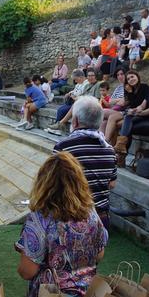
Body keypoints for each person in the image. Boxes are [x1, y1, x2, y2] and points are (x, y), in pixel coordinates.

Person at [16, 151, 108, 297]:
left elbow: (27, 271)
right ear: (79, 181)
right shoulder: (91, 213)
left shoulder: (39, 218)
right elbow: (99, 254)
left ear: (43, 183)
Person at [53, 96, 116, 228]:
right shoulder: (110, 150)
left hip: (72, 219)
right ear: (99, 122)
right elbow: (112, 184)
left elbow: (54, 185)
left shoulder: (63, 148)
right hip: (100, 219)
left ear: (75, 121)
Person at [101, 70, 149, 145]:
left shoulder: (144, 87)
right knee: (104, 120)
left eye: (132, 77)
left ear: (137, 76)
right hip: (127, 111)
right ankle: (102, 142)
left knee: (112, 118)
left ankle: (105, 143)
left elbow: (135, 104)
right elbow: (113, 101)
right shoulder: (127, 88)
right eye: (129, 79)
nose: (131, 79)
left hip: (135, 113)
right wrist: (129, 92)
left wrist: (130, 93)